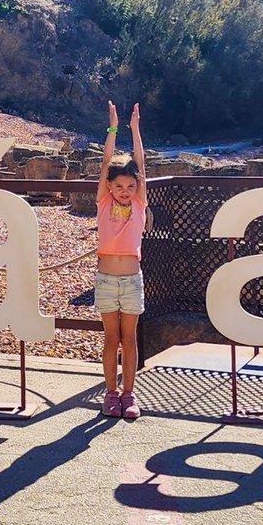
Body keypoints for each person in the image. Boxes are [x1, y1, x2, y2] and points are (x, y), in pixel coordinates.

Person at [96, 102, 148, 420]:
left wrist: (135, 130)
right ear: (110, 187)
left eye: (130, 186)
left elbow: (140, 164)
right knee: (110, 339)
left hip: (131, 280)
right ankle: (110, 393)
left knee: (129, 339)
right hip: (106, 279)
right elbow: (106, 163)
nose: (125, 191)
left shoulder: (139, 204)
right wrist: (114, 128)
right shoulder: (104, 202)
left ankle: (129, 394)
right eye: (119, 186)